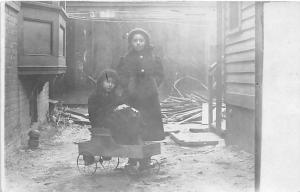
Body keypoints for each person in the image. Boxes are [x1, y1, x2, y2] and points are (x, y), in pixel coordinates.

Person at [116, 28, 165, 170]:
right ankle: (132, 158)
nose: (138, 43)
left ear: (146, 42)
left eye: (141, 40)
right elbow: (120, 74)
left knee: (148, 128)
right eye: (135, 40)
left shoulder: (154, 58)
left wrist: (152, 84)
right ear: (131, 42)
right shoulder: (125, 58)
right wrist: (128, 85)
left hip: (149, 100)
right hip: (132, 99)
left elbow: (159, 74)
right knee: (132, 126)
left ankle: (146, 159)